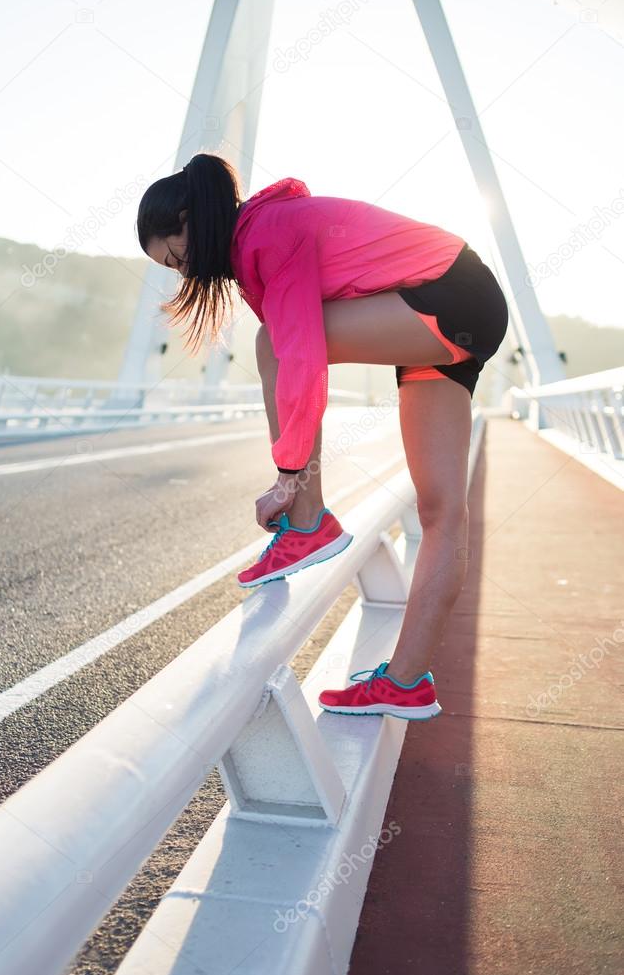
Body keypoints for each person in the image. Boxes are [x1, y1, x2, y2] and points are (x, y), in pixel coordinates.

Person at [136, 152, 509, 721]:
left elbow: (302, 356)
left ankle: (307, 521)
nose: (182, 273)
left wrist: (289, 477)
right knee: (442, 512)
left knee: (273, 344)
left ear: (189, 218)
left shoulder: (266, 232)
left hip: (450, 296)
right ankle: (405, 683)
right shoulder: (262, 234)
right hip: (466, 302)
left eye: (176, 256)